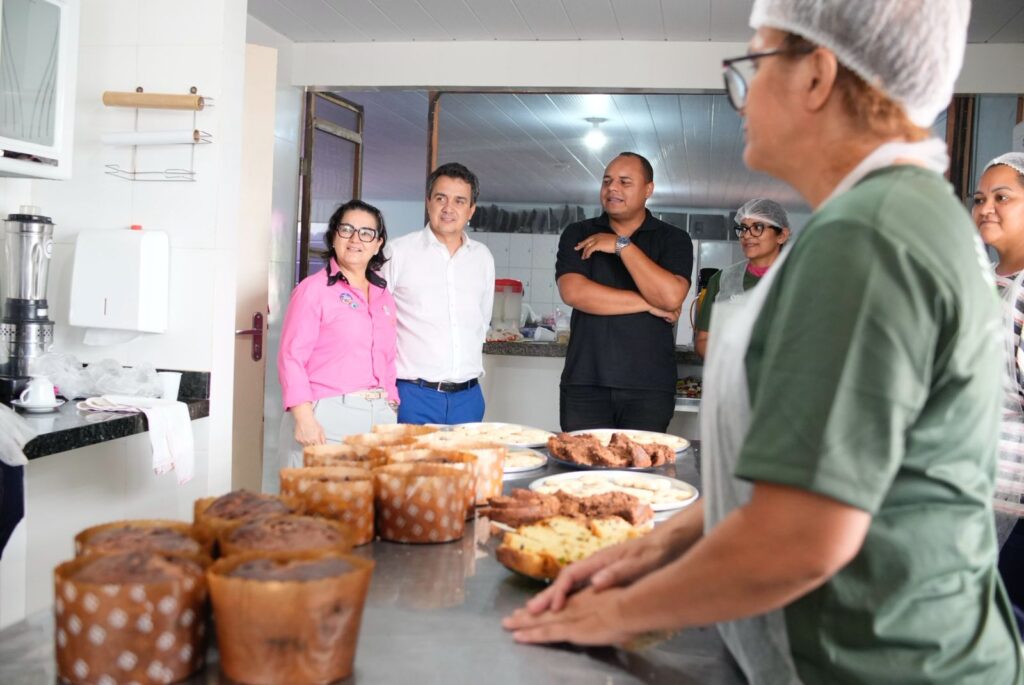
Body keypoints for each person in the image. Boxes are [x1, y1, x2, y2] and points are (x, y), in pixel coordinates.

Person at [505, 2, 1024, 684]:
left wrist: (617, 613)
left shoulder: (871, 236)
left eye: (752, 64)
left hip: (889, 660)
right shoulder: (888, 214)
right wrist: (647, 550)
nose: (739, 95)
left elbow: (799, 538)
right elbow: (795, 482)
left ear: (816, 77)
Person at [556, 152, 693, 432]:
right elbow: (574, 293)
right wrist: (649, 304)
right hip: (585, 383)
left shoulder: (674, 239)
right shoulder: (578, 233)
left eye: (624, 182)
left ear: (648, 190)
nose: (612, 189)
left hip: (649, 388)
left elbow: (670, 297)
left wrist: (621, 246)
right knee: (580, 473)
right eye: (607, 181)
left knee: (641, 475)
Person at [277, 199, 398, 468]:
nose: (356, 239)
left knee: (365, 508)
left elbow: (388, 357)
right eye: (347, 230)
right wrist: (304, 417)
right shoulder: (314, 290)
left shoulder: (383, 295)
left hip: (378, 419)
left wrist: (391, 402)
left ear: (378, 244)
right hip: (326, 416)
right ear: (334, 236)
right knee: (316, 506)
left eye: (367, 233)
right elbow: (291, 357)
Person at [381, 162, 495, 425]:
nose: (448, 208)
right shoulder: (397, 252)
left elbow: (482, 320)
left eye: (459, 201)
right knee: (411, 468)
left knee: (465, 467)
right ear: (428, 202)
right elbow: (376, 322)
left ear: (471, 210)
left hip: (468, 398)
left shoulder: (482, 258)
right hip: (412, 394)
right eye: (440, 198)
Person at [973, 151, 1024, 633]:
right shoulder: (983, 284)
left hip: (1015, 504)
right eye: (980, 198)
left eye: (1002, 197)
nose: (986, 207)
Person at [694, 199, 790, 357]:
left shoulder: (801, 279)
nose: (747, 235)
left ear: (782, 236)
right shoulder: (722, 280)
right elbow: (703, 340)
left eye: (758, 228)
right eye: (744, 228)